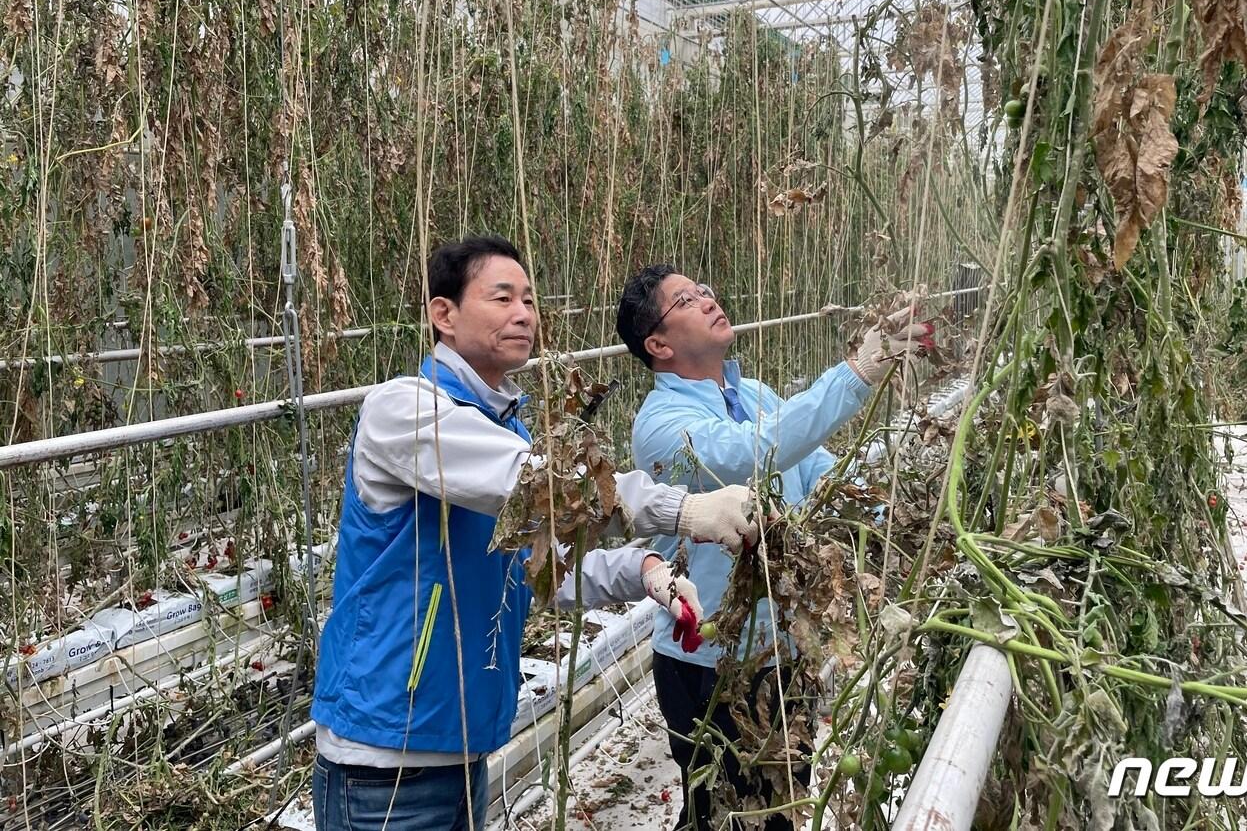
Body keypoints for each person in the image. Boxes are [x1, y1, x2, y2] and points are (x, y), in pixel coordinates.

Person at [311, 236, 759, 831]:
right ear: (443, 315)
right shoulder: (405, 411)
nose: (524, 313)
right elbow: (552, 488)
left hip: (461, 746)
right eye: (502, 297)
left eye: (529, 299)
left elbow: (528, 572)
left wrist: (645, 571)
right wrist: (685, 509)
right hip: (387, 760)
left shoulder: (505, 429)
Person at [615, 265, 926, 831]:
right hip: (708, 660)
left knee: (785, 798)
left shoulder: (754, 394)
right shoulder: (659, 426)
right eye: (687, 299)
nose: (709, 299)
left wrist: (905, 509)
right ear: (657, 344)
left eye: (707, 288)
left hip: (781, 650)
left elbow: (820, 473)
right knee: (721, 812)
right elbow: (749, 453)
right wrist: (854, 374)